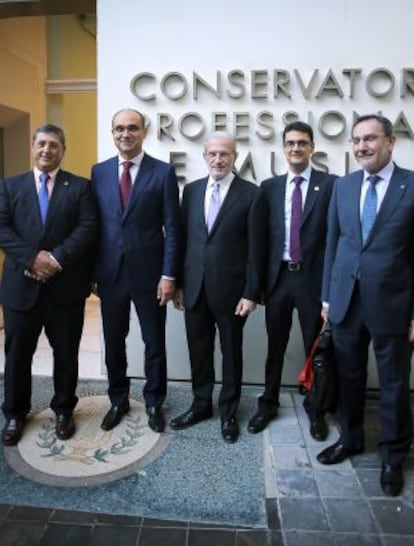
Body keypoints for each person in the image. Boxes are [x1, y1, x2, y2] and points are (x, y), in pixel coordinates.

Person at [317, 114, 414, 497]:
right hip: (344, 302)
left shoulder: (411, 185)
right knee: (349, 378)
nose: (361, 147)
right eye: (356, 140)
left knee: (392, 384)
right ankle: (351, 438)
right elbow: (332, 245)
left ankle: (392, 456)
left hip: (394, 305)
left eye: (370, 139)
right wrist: (326, 297)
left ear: (390, 142)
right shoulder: (344, 186)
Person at [0, 123, 97, 446]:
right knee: (17, 356)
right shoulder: (9, 187)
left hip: (64, 288)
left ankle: (63, 410)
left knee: (66, 353)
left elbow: (87, 228)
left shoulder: (80, 187)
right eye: (41, 144)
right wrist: (32, 259)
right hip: (21, 288)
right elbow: (3, 229)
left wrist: (54, 260)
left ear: (62, 150)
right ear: (32, 147)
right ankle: (15, 412)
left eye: (54, 145)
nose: (47, 150)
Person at [91, 108, 180, 434]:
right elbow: (95, 226)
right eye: (118, 129)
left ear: (144, 131)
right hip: (110, 274)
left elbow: (173, 227)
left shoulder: (163, 172)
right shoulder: (99, 173)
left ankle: (154, 400)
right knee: (114, 341)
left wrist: (169, 275)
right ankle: (118, 399)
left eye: (132, 128)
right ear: (112, 133)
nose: (125, 134)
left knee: (153, 341)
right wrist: (92, 272)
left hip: (150, 276)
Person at [247, 121, 337, 440]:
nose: (296, 148)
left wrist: (331, 291)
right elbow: (259, 242)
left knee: (317, 349)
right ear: (283, 149)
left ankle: (316, 408)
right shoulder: (269, 188)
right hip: (279, 280)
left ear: (312, 148)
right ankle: (268, 402)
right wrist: (255, 288)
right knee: (276, 345)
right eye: (290, 143)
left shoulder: (330, 185)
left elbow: (335, 240)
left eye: (302, 143)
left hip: (313, 281)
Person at [170, 131, 261, 444]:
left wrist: (251, 293)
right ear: (205, 156)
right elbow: (183, 242)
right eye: (213, 154)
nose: (218, 159)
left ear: (234, 157)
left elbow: (256, 248)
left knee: (231, 353)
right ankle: (200, 405)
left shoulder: (251, 193)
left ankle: (228, 412)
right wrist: (179, 284)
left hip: (233, 292)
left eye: (225, 154)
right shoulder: (192, 191)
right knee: (198, 349)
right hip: (194, 287)